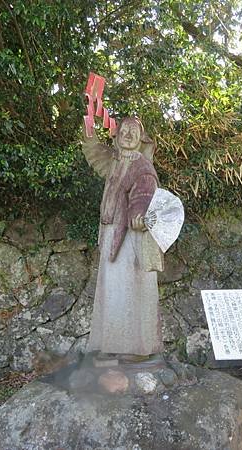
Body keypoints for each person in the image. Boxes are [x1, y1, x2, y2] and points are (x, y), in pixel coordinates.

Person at [82, 117, 164, 358]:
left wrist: (138, 213)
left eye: (134, 132)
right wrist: (88, 127)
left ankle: (134, 347)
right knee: (111, 290)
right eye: (124, 131)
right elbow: (93, 151)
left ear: (142, 138)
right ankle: (110, 345)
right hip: (110, 232)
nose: (128, 135)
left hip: (131, 235)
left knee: (130, 289)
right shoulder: (114, 160)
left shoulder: (143, 166)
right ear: (116, 136)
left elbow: (145, 192)